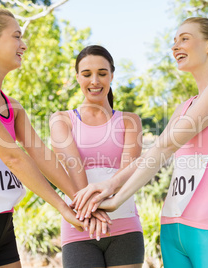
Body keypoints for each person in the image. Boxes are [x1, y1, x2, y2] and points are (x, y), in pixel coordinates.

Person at [0, 8, 109, 268]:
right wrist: (62, 207)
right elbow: (14, 157)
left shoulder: (12, 106)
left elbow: (43, 156)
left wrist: (82, 203)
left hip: (2, 226)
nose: (23, 45)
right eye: (16, 36)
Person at [72, 17, 208, 268]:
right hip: (172, 225)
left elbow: (167, 146)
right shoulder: (185, 105)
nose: (175, 46)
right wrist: (110, 187)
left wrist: (115, 199)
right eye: (174, 41)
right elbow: (154, 154)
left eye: (184, 39)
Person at [50, 45, 145, 268]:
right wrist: (90, 213)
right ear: (77, 77)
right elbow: (74, 168)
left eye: (102, 74)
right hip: (79, 227)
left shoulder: (130, 121)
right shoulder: (61, 120)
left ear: (112, 75)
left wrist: (90, 206)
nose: (95, 81)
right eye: (86, 74)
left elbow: (126, 173)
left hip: (124, 226)